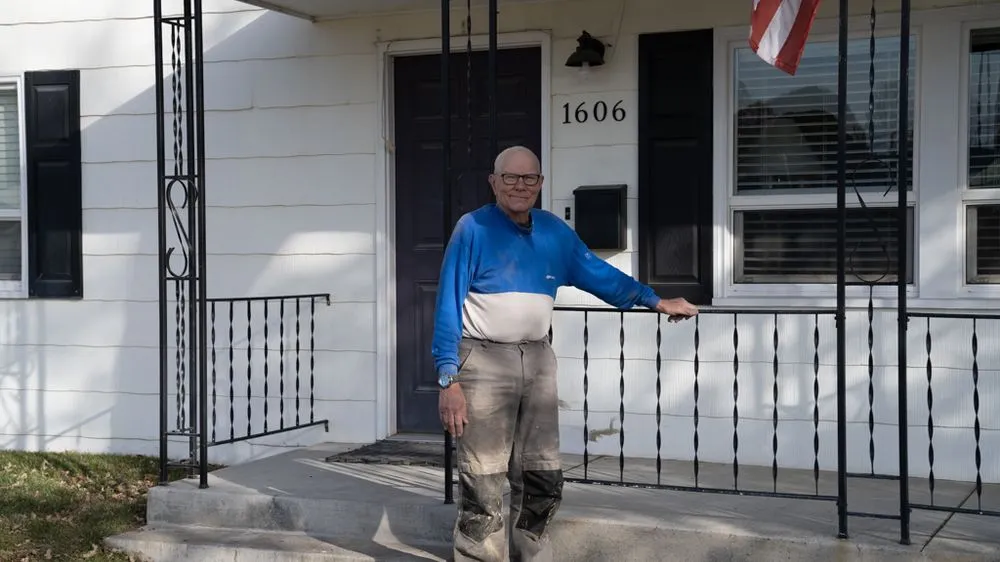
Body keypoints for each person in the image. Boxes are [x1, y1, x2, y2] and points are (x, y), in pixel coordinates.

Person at [431, 146, 698, 562]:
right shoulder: (473, 229)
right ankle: (480, 555)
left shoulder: (555, 232)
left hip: (537, 360)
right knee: (482, 475)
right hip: (481, 361)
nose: (521, 186)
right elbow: (448, 303)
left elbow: (598, 273)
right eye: (511, 177)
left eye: (530, 178)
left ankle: (532, 552)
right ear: (493, 181)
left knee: (541, 471)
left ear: (540, 183)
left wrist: (654, 301)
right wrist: (448, 378)